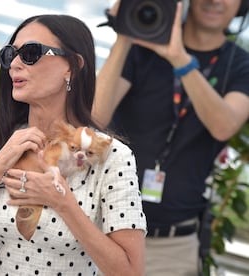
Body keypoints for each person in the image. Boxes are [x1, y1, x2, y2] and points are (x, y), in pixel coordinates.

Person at [0, 14, 147, 275]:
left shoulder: (112, 156)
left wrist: (64, 204)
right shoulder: (3, 143)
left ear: (73, 66)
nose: (15, 63)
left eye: (30, 53)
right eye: (10, 54)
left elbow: (131, 272)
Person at [93, 0, 249, 275]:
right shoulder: (142, 49)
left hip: (171, 247)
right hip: (102, 230)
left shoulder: (240, 65)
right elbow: (94, 118)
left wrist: (180, 60)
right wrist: (125, 37)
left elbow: (223, 125)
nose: (214, 1)